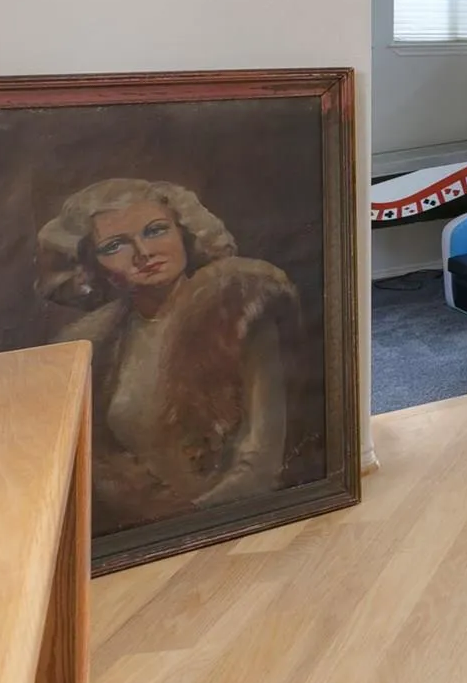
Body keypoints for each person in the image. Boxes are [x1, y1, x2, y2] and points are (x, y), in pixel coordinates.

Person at [34, 178, 298, 532]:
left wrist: (188, 525)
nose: (143, 253)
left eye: (156, 230)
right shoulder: (94, 345)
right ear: (92, 267)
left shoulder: (239, 310)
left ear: (185, 232)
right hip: (147, 537)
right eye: (115, 246)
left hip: (240, 525)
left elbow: (261, 462)